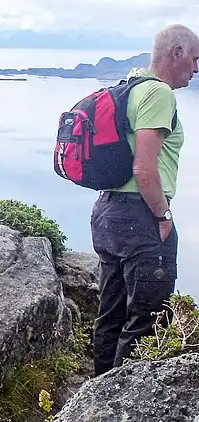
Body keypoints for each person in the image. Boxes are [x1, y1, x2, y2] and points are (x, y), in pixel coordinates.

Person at [91, 24, 199, 376]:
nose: (196, 68)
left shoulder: (131, 86)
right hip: (140, 218)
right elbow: (144, 168)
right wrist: (163, 215)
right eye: (195, 59)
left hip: (107, 214)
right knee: (149, 320)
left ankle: (96, 397)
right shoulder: (160, 95)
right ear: (177, 53)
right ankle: (125, 402)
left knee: (111, 313)